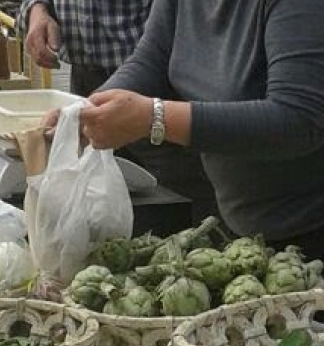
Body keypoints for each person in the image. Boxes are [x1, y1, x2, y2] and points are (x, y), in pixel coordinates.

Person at [45, 0, 324, 288]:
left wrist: (154, 118)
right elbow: (153, 59)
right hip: (258, 229)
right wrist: (87, 111)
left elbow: (300, 120)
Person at [18, 0, 220, 224]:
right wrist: (38, 9)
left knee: (185, 208)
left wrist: (152, 117)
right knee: (101, 209)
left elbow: (158, 53)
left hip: (161, 89)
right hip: (96, 80)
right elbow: (148, 57)